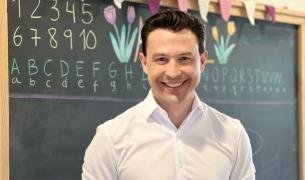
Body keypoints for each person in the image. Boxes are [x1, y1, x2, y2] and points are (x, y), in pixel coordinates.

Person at [82, 10, 256, 180]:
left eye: (184, 58)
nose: (173, 73)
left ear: (202, 62)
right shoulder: (110, 139)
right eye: (161, 59)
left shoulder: (233, 134)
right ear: (144, 63)